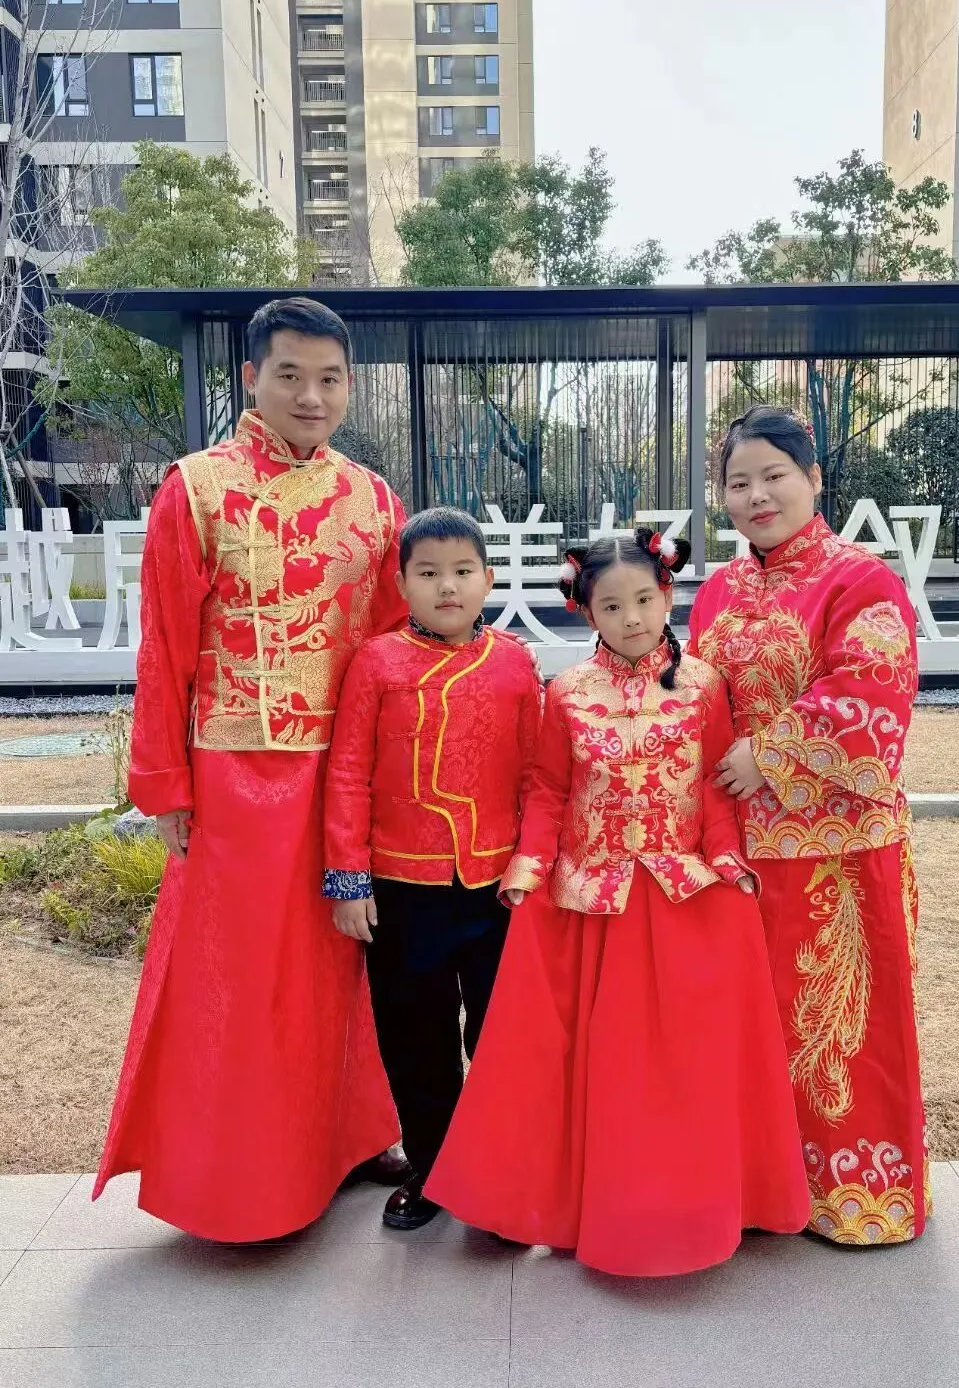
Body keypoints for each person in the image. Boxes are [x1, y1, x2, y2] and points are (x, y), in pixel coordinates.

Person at [93, 297, 410, 1242]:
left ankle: (354, 1138)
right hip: (235, 777)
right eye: (291, 376)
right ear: (251, 378)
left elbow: (394, 642)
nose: (312, 396)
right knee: (238, 977)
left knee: (344, 965)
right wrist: (165, 785)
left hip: (344, 775)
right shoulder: (196, 488)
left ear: (349, 386)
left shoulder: (372, 498)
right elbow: (165, 645)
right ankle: (240, 1178)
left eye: (330, 379)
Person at [424, 528, 810, 1277]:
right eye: (610, 605)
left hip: (681, 890)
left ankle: (687, 1203)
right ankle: (579, 1205)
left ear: (667, 596)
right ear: (584, 611)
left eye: (643, 600)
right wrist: (530, 865)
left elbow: (714, 787)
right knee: (589, 1066)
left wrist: (726, 858)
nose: (631, 618)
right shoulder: (566, 692)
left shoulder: (705, 685)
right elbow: (548, 788)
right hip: (588, 897)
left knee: (680, 1068)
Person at [688, 403, 928, 1247]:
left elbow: (873, 690)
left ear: (814, 479)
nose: (757, 496)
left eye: (774, 477)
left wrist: (771, 753)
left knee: (843, 1033)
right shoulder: (717, 591)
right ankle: (764, 1188)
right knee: (750, 1028)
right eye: (738, 483)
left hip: (842, 857)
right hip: (740, 852)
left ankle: (856, 1197)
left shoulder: (860, 580)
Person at [323, 506, 543, 1231]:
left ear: (488, 579)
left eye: (462, 571)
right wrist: (349, 879)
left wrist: (532, 863)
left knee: (502, 1040)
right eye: (428, 573)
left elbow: (537, 775)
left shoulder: (514, 662)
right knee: (416, 1039)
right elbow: (348, 773)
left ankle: (502, 1180)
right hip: (401, 890)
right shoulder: (377, 662)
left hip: (495, 891)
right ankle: (434, 1169)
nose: (447, 587)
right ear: (402, 584)